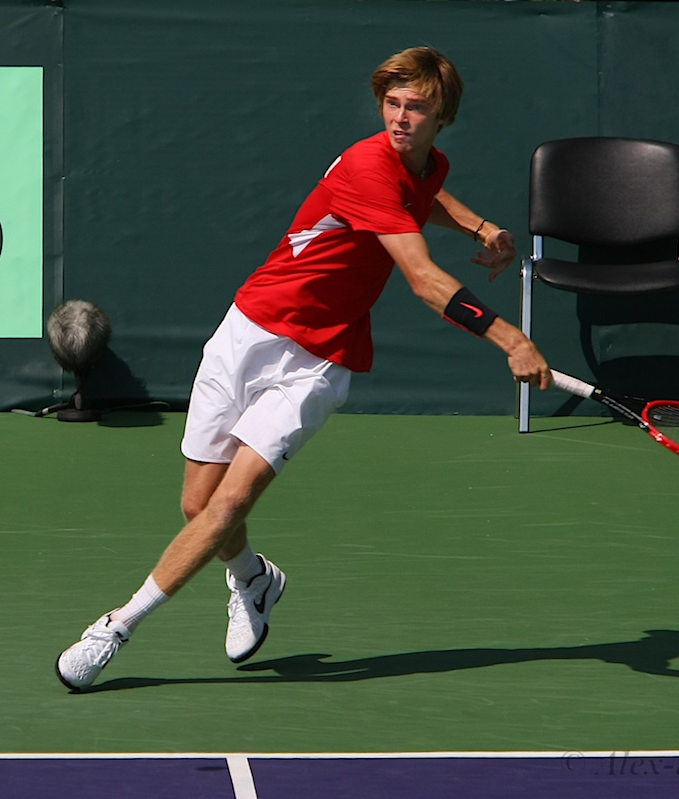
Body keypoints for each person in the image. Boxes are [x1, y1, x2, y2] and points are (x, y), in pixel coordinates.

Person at [55, 46, 552, 691]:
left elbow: (422, 193)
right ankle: (253, 579)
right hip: (248, 330)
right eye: (392, 103)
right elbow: (424, 280)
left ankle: (115, 628)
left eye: (416, 108)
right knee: (198, 506)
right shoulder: (367, 164)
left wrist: (479, 226)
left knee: (230, 502)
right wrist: (512, 338)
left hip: (319, 361)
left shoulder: (424, 166)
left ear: (442, 117)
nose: (399, 118)